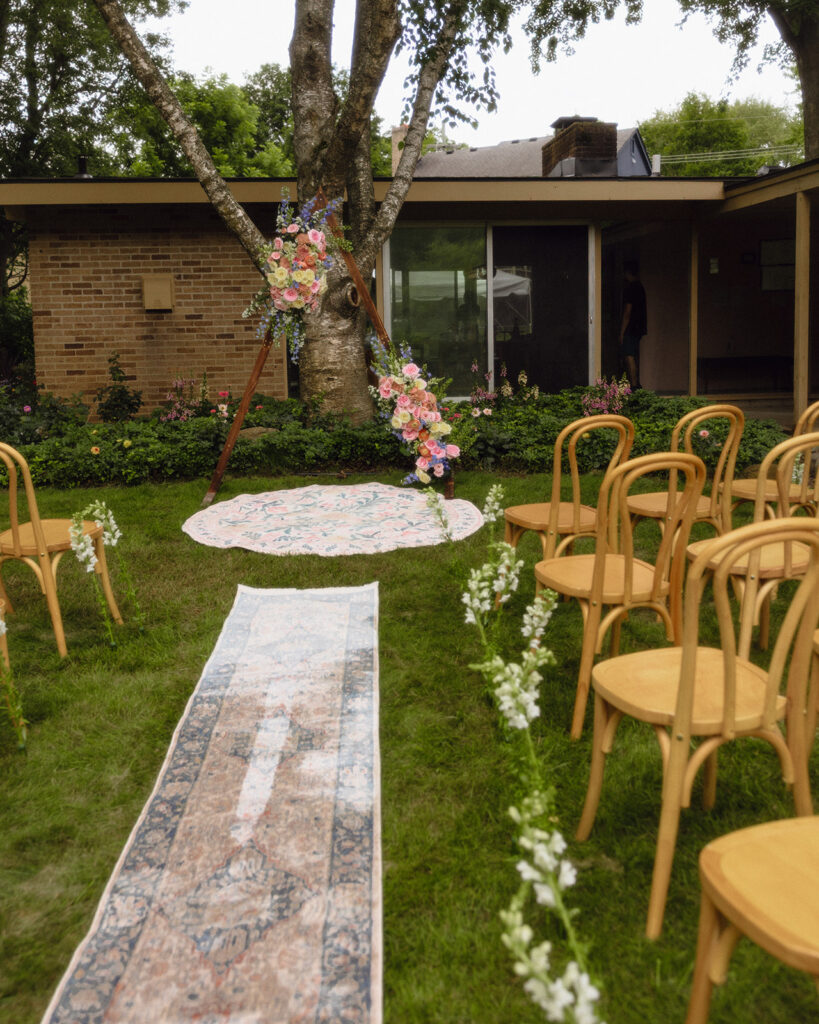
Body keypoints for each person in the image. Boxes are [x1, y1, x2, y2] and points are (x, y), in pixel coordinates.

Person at [619, 260, 646, 390]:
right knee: (633, 354)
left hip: (631, 327)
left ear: (627, 273)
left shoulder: (630, 288)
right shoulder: (640, 287)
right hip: (639, 327)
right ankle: (635, 383)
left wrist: (622, 332)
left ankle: (634, 385)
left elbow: (627, 312)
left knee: (629, 354)